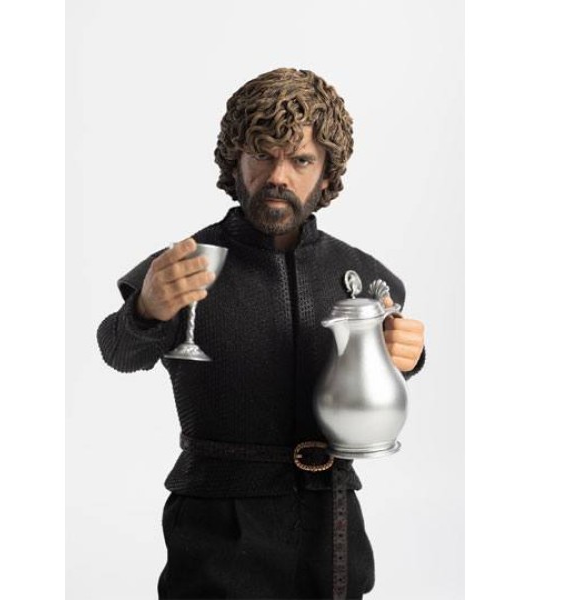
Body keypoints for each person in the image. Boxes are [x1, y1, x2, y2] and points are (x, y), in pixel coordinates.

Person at [97, 67, 426, 599]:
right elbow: (119, 351)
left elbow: (381, 374)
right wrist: (146, 309)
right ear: (236, 162)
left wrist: (407, 355)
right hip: (217, 534)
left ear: (326, 173)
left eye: (301, 160)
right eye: (262, 154)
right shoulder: (186, 266)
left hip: (330, 526)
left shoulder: (362, 275)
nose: (279, 175)